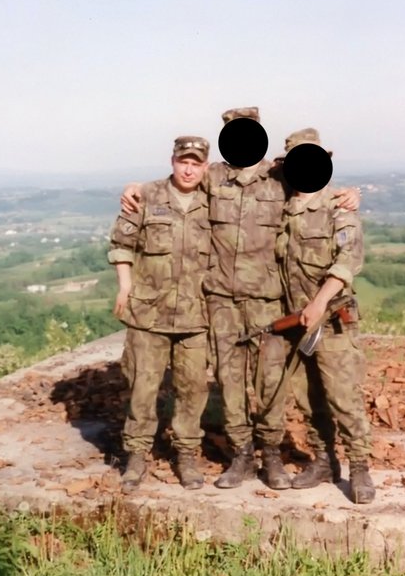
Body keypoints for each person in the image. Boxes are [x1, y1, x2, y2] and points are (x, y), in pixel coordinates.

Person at [121, 107, 360, 491]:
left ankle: (272, 457)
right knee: (230, 383)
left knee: (270, 384)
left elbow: (314, 186)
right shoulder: (213, 177)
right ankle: (242, 456)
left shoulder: (278, 177)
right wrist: (134, 187)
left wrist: (349, 194)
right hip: (221, 302)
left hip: (267, 303)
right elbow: (172, 184)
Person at [108, 135, 212, 492]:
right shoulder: (146, 196)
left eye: (196, 163)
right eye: (184, 160)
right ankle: (136, 456)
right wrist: (125, 285)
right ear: (172, 160)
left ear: (205, 166)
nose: (188, 168)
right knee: (143, 387)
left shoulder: (215, 202)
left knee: (192, 389)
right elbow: (122, 245)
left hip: (197, 316)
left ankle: (186, 455)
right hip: (148, 314)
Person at [276, 128, 375, 504]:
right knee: (307, 396)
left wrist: (319, 302)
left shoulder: (339, 207)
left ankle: (360, 467)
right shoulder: (282, 206)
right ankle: (322, 460)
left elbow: (348, 260)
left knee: (342, 396)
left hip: (331, 319)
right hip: (296, 322)